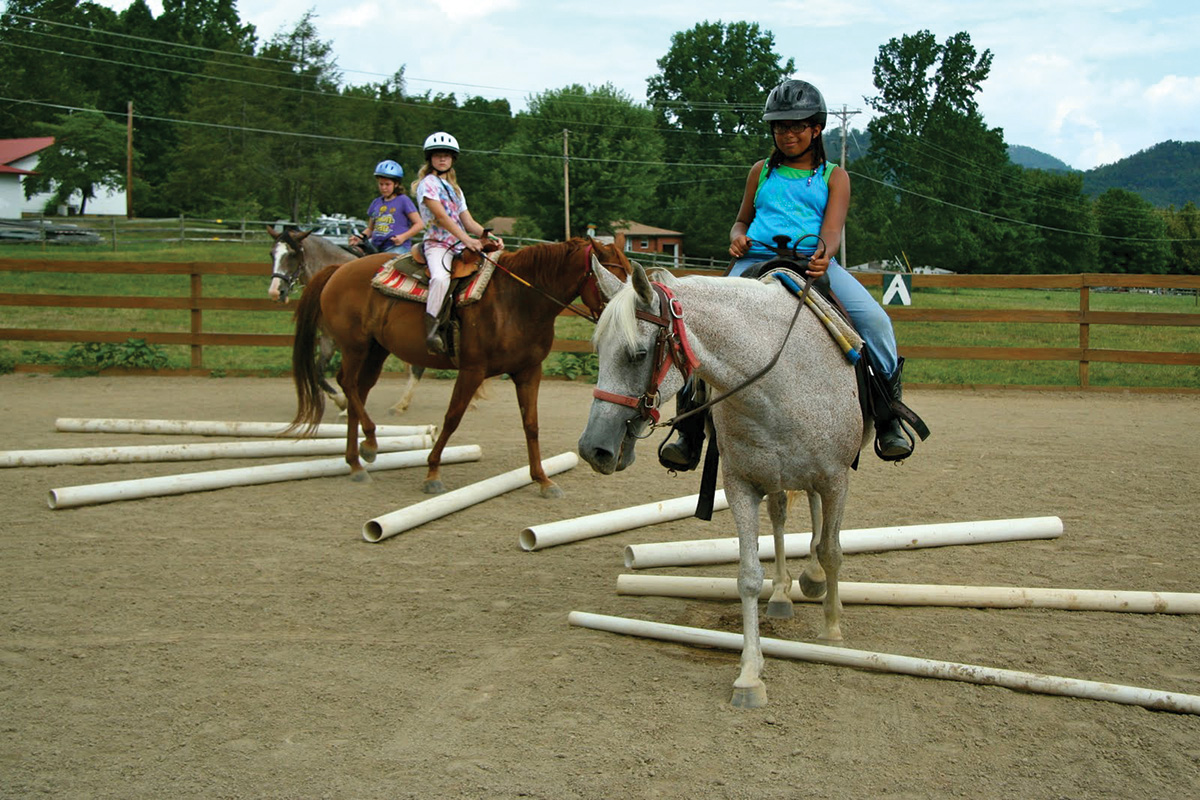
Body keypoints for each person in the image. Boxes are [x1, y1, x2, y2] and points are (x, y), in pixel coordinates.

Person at [659, 78, 915, 471]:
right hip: (755, 260)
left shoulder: (835, 176)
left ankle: (887, 415)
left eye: (797, 126)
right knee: (704, 323)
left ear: (816, 129)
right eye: (780, 126)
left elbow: (831, 232)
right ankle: (689, 428)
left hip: (811, 261)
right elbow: (741, 220)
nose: (787, 134)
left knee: (876, 321)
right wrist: (738, 237)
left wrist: (824, 255)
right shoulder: (760, 171)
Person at [411, 131, 502, 354]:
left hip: (460, 244)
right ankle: (432, 330)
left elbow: (468, 221)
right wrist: (467, 240)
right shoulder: (427, 184)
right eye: (438, 155)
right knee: (441, 279)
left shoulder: (455, 190)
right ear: (430, 159)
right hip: (438, 245)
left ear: (453, 159)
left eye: (447, 156)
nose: (442, 159)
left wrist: (489, 237)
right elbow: (441, 218)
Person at [349, 159, 423, 254]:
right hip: (376, 247)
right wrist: (359, 238)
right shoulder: (376, 202)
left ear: (396, 184)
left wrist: (403, 237)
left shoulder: (403, 200)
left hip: (396, 246)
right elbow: (371, 228)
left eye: (387, 184)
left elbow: (419, 224)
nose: (383, 188)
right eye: (381, 184)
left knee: (392, 267)